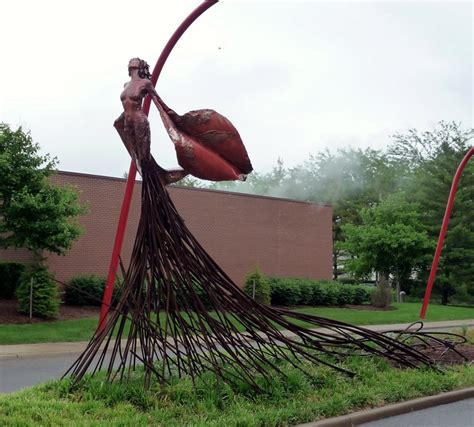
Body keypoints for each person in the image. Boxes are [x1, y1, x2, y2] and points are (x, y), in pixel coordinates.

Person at [113, 57, 188, 184]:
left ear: (141, 66)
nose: (132, 61)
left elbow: (158, 101)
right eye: (131, 61)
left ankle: (154, 187)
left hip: (139, 122)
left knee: (144, 158)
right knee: (136, 157)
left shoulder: (145, 83)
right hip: (127, 123)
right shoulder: (126, 85)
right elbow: (126, 107)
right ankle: (156, 180)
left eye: (135, 61)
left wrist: (173, 120)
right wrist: (120, 120)